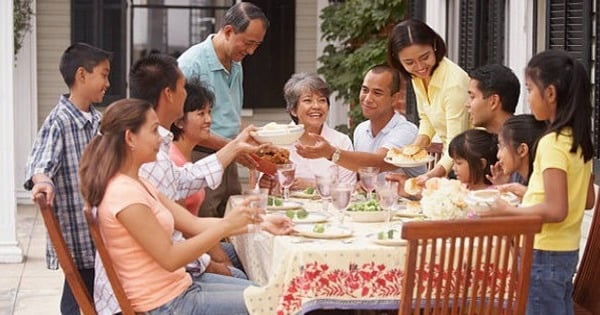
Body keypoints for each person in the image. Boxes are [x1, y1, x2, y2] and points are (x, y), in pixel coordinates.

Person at [93, 53, 284, 314]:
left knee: (266, 294)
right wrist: (227, 227)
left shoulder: (138, 181)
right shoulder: (124, 193)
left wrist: (258, 222)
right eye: (153, 132)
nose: (162, 139)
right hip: (161, 303)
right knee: (272, 302)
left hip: (176, 288)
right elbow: (170, 258)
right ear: (130, 139)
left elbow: (192, 222)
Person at [487, 50, 595, 315]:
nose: (528, 98)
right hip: (565, 252)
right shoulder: (577, 139)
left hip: (542, 251)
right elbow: (586, 199)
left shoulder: (551, 143)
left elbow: (557, 210)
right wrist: (527, 193)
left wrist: (508, 211)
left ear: (550, 94)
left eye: (530, 89)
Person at [23, 43, 111, 315]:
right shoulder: (59, 121)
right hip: (78, 235)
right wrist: (42, 183)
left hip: (98, 231)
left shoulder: (97, 121)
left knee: (94, 295)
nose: (108, 83)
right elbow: (41, 163)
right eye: (104, 75)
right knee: (77, 298)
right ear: (82, 75)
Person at [177, 2, 269, 218]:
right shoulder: (191, 65)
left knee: (233, 227)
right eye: (248, 43)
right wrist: (236, 148)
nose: (252, 51)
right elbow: (182, 127)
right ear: (228, 31)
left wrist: (254, 141)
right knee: (207, 232)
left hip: (229, 158)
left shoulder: (236, 63)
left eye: (257, 45)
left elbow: (232, 113)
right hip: (200, 159)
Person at [170, 79, 247, 279]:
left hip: (198, 240)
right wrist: (220, 262)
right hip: (185, 259)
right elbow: (186, 228)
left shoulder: (184, 155)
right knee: (241, 273)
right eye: (200, 113)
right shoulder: (173, 160)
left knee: (247, 256)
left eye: (209, 112)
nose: (209, 120)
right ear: (179, 121)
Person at [295, 65, 422, 178]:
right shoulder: (361, 130)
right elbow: (360, 176)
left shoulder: (406, 130)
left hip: (409, 203)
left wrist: (331, 153)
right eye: (365, 90)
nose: (367, 99)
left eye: (377, 93)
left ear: (394, 98)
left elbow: (378, 163)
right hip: (376, 202)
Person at [387, 19, 470, 181]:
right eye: (409, 62)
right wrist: (413, 150)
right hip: (451, 160)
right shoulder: (418, 77)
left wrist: (430, 176)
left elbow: (457, 142)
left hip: (471, 162)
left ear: (434, 45)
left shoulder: (454, 83)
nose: (419, 67)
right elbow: (426, 118)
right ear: (398, 61)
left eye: (425, 57)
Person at [283, 72, 356, 188]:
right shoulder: (279, 141)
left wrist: (313, 185)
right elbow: (265, 187)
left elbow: (349, 188)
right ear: (293, 110)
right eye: (308, 100)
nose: (316, 106)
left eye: (322, 100)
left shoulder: (341, 141)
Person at [487, 115, 547, 197]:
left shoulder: (543, 186)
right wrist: (503, 185)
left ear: (522, 150)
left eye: (501, 146)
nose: (498, 155)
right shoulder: (520, 180)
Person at [466, 64, 520, 134]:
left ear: (493, 102)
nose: (467, 104)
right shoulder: (481, 142)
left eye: (472, 97)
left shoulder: (524, 141)